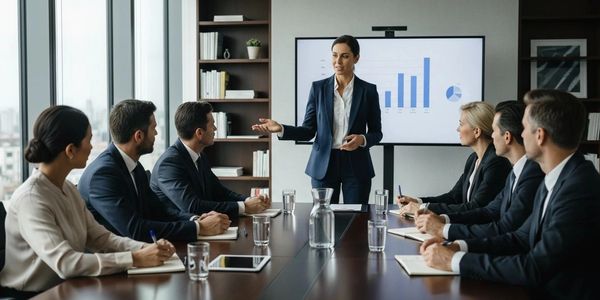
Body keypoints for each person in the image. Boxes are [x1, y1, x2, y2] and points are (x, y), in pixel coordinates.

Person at [421, 89, 600, 299]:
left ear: (540, 135)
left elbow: (534, 267)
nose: (520, 135)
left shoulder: (579, 188)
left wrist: (454, 261)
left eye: (524, 128)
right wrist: (458, 246)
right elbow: (520, 239)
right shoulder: (555, 178)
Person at [0, 106, 174, 293]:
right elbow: (66, 262)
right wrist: (136, 258)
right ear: (70, 150)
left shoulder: (67, 188)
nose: (92, 147)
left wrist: (148, 248)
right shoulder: (31, 199)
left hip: (68, 288)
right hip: (34, 295)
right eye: (89, 140)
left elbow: (101, 238)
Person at [251, 35, 382, 204]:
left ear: (356, 58)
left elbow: (376, 132)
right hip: (323, 165)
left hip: (356, 165)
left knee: (355, 220)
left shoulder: (368, 91)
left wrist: (362, 139)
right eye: (334, 55)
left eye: (345, 56)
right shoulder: (318, 88)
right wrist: (281, 128)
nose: (338, 61)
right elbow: (308, 131)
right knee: (323, 218)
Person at [78, 100, 230, 243]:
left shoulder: (134, 167)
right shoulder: (103, 175)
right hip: (114, 262)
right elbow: (134, 229)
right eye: (153, 128)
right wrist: (200, 228)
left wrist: (196, 220)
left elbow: (160, 211)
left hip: (140, 252)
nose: (156, 134)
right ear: (138, 136)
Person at [414, 101, 544, 239]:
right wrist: (441, 218)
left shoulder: (506, 165)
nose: (492, 136)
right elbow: (477, 206)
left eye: (494, 131)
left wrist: (443, 227)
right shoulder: (511, 170)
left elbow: (494, 218)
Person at [150, 101, 271, 218]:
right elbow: (192, 206)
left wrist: (248, 200)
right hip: (178, 235)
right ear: (199, 133)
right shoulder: (169, 164)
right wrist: (244, 207)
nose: (216, 129)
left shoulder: (199, 156)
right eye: (212, 124)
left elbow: (219, 192)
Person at [398, 102, 511, 215]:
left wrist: (422, 208)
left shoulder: (496, 162)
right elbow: (453, 197)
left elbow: (476, 206)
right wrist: (417, 202)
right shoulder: (473, 159)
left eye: (461, 124)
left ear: (476, 131)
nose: (458, 129)